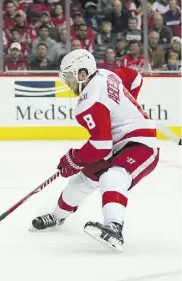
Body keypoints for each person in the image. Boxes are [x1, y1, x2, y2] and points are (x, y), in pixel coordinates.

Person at [31, 50, 159, 252]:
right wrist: (129, 105)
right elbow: (135, 78)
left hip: (139, 143)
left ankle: (114, 227)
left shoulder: (88, 102)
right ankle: (57, 217)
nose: (67, 82)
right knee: (81, 181)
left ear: (82, 74)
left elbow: (100, 146)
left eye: (69, 76)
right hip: (115, 144)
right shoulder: (107, 74)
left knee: (113, 177)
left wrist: (74, 158)